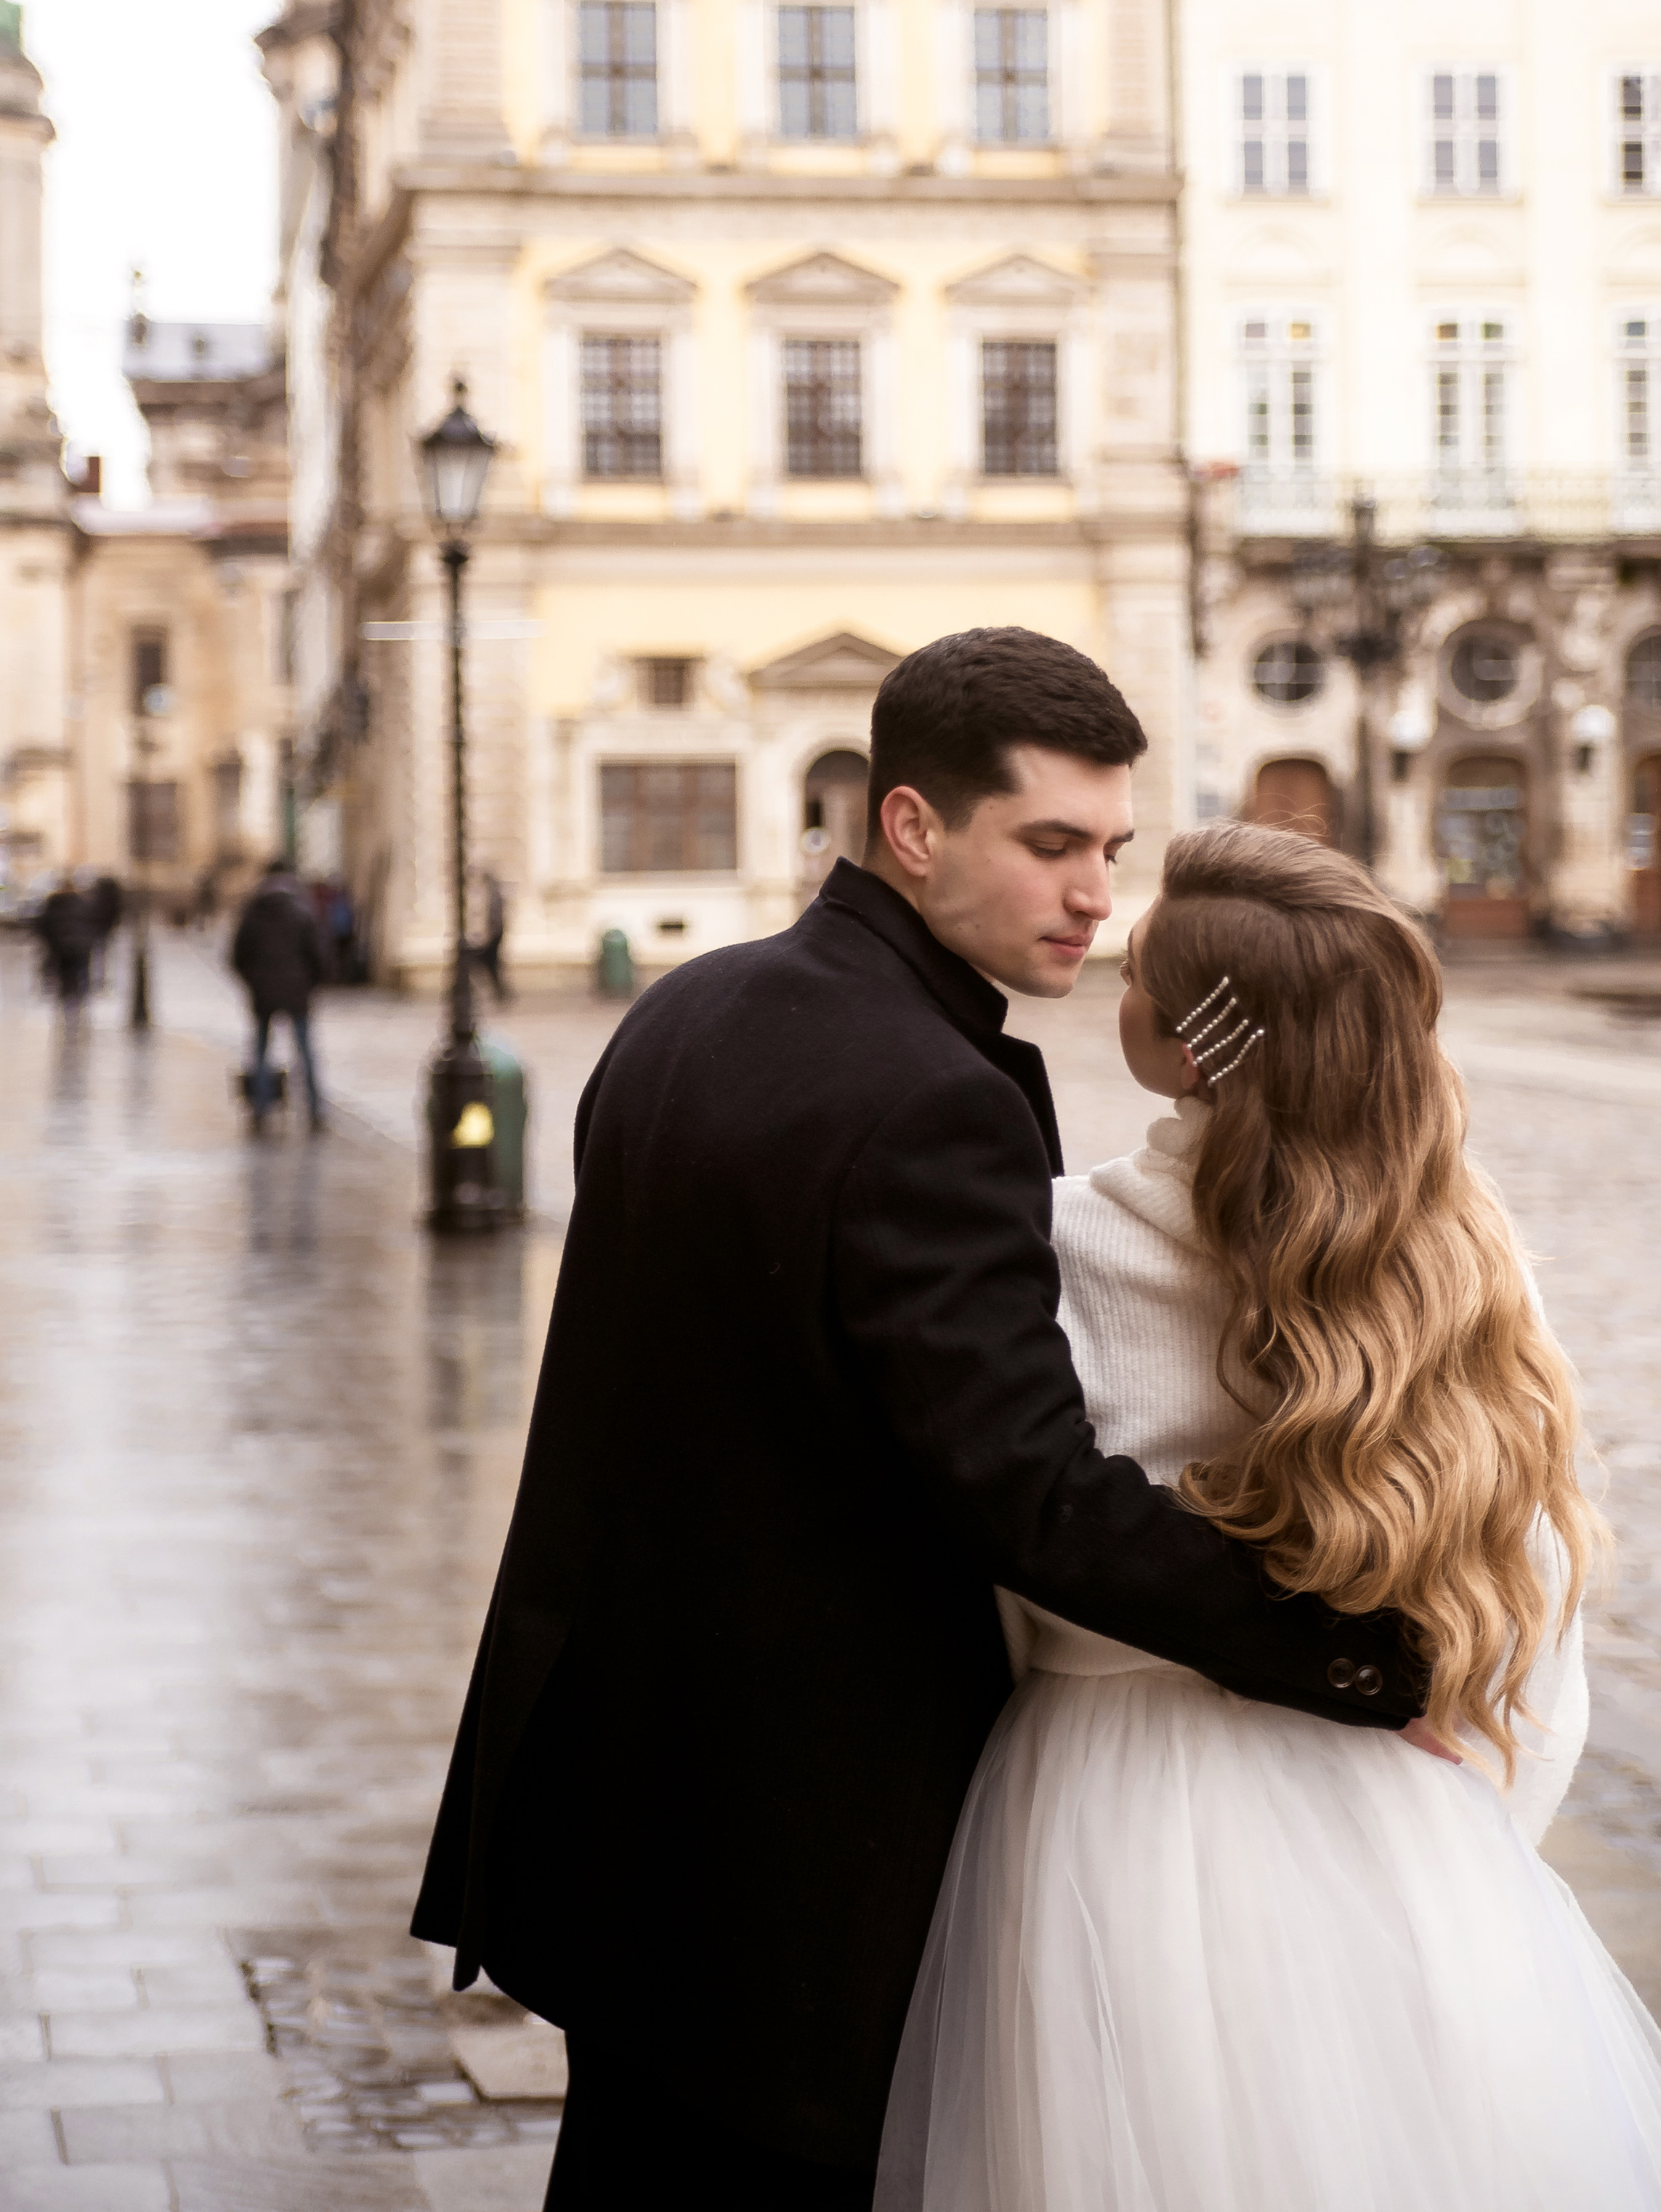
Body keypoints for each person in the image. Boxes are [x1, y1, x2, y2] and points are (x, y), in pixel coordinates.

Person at [412, 630, 1428, 2212]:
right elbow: (1029, 1493)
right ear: (911, 826)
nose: (1094, 897)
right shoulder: (931, 1093)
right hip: (794, 1849)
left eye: (1110, 849)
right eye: (1050, 844)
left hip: (611, 1793)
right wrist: (1351, 1649)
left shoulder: (689, 1007)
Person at [877, 822, 1661, 2212]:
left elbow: (1012, 1544)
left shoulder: (1053, 1243)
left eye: (1139, 976)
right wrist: (1462, 1856)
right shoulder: (1457, 1258)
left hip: (1101, 1806)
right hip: (1397, 1797)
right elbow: (1538, 1607)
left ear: (1186, 1045)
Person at [230, 857, 329, 1132]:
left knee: (261, 1051)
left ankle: (261, 1107)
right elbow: (318, 955)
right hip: (297, 992)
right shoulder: (302, 910)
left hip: (263, 993)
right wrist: (310, 984)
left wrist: (254, 983)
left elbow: (237, 956)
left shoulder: (253, 911)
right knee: (305, 1051)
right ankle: (314, 1108)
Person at [35, 876, 95, 1020]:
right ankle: (80, 1002)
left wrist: (50, 943)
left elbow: (43, 924)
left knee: (64, 975)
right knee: (81, 975)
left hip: (60, 948)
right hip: (79, 947)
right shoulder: (82, 902)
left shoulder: (53, 903)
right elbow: (92, 924)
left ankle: (65, 1002)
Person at [472, 868, 509, 1002]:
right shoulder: (494, 894)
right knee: (490, 965)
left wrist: (489, 936)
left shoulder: (493, 895)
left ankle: (500, 993)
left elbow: (493, 918)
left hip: (494, 935)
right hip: (496, 934)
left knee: (488, 964)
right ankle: (500, 992)